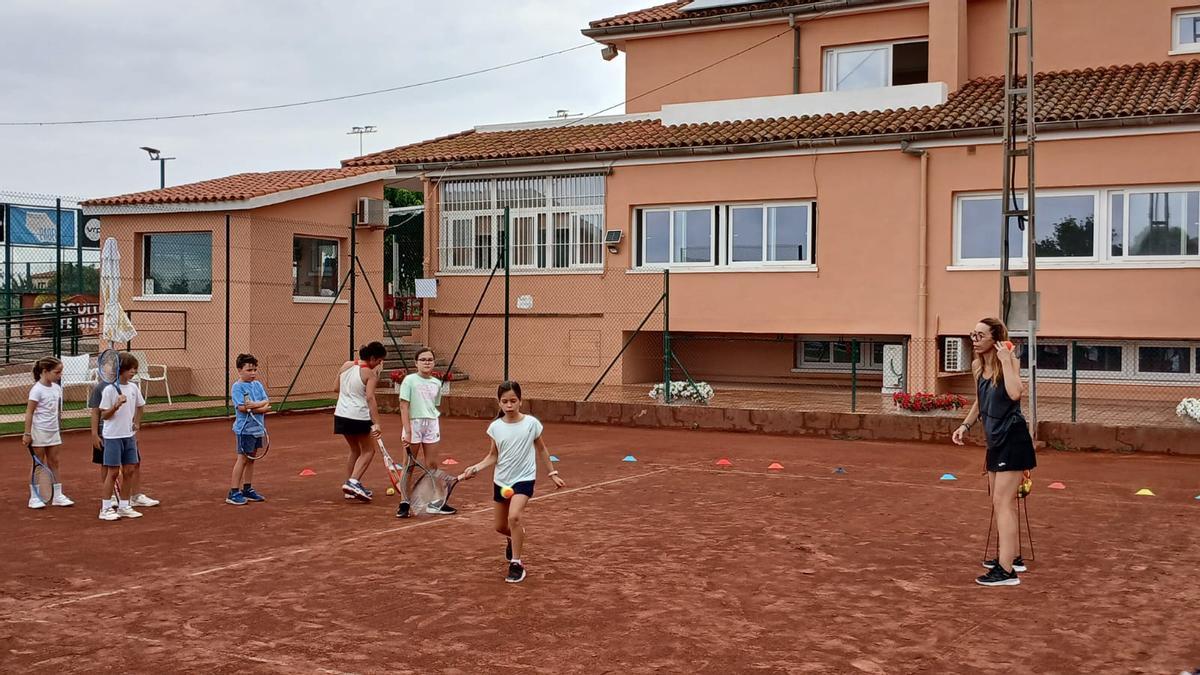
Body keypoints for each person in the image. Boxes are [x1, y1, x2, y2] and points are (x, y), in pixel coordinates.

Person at [952, 317, 1037, 587]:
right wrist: (965, 425)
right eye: (972, 335)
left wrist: (1007, 360)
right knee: (999, 502)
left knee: (1003, 503)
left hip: (1013, 438)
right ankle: (1011, 556)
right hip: (996, 440)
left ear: (995, 338)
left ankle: (1006, 570)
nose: (974, 340)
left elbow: (1015, 393)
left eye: (980, 335)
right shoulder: (978, 367)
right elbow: (981, 399)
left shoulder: (1007, 362)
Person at [459, 381, 565, 583]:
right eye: (504, 401)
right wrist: (475, 468)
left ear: (520, 401)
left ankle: (516, 563)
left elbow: (542, 449)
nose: (509, 405)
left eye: (513, 401)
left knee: (514, 517)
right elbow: (493, 455)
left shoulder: (531, 424)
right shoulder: (495, 427)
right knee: (500, 526)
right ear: (499, 403)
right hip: (501, 481)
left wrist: (553, 474)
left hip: (524, 479)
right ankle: (514, 536)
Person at [396, 347, 455, 518]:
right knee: (409, 465)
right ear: (416, 363)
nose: (427, 362)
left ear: (434, 363)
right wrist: (407, 431)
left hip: (431, 424)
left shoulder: (437, 383)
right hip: (413, 424)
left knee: (432, 465)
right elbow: (403, 406)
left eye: (429, 359)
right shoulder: (409, 381)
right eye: (423, 359)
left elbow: (433, 405)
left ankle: (436, 502)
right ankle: (404, 502)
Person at [89, 375, 159, 510]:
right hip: (108, 434)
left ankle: (135, 496)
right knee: (108, 466)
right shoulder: (102, 388)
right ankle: (111, 499)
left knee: (133, 464)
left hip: (127, 434)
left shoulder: (132, 386)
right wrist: (94, 434)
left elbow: (139, 406)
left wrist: (135, 425)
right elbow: (96, 412)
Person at [334, 342, 386, 501]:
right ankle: (353, 482)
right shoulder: (370, 374)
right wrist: (376, 422)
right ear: (372, 358)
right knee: (369, 451)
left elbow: (336, 388)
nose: (379, 364)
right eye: (379, 360)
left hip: (340, 415)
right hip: (358, 415)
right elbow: (370, 398)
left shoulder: (346, 365)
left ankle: (349, 487)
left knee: (355, 450)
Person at [98, 352, 147, 521]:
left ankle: (124, 506)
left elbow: (140, 406)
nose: (133, 372)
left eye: (135, 369)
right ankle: (105, 508)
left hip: (129, 435)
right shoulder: (109, 390)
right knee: (112, 473)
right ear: (121, 370)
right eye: (130, 369)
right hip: (113, 436)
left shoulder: (134, 388)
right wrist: (116, 405)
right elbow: (104, 416)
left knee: (129, 470)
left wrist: (137, 423)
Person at [23, 357, 72, 508]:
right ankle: (34, 497)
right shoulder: (36, 390)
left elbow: (56, 412)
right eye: (57, 372)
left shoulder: (57, 388)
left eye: (61, 372)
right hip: (39, 431)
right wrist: (27, 433)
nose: (60, 375)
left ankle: (58, 495)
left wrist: (58, 426)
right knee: (38, 464)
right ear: (45, 372)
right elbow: (29, 412)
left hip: (53, 431)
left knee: (55, 462)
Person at [227, 353, 270, 505]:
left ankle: (247, 489)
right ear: (239, 370)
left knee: (251, 460)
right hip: (244, 430)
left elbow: (266, 402)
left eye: (254, 370)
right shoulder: (237, 387)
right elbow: (242, 407)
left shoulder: (257, 385)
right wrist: (260, 407)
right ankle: (233, 492)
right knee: (242, 459)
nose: (252, 373)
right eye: (249, 370)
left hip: (258, 429)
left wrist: (255, 406)